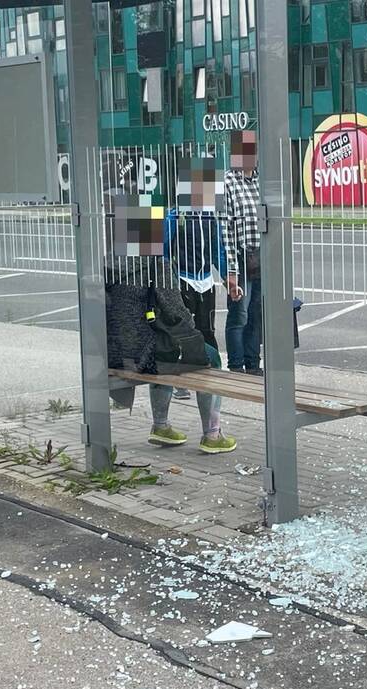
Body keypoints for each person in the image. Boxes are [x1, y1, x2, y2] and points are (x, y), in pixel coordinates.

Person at [106, 246, 236, 456]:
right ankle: (212, 435)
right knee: (209, 357)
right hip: (146, 353)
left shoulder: (109, 263)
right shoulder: (158, 263)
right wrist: (192, 334)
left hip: (117, 352)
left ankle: (161, 426)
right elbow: (174, 309)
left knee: (166, 355)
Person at [164, 157, 228, 399]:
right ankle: (181, 380)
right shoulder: (175, 215)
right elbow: (163, 250)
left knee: (207, 329)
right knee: (183, 331)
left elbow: (217, 250)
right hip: (182, 279)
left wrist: (227, 277)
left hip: (205, 282)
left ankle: (211, 370)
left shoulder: (211, 217)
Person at [223, 130, 264, 376]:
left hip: (261, 256)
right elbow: (225, 229)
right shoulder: (227, 182)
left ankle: (253, 364)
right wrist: (231, 270)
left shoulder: (261, 180)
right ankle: (236, 366)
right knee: (240, 314)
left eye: (252, 150)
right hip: (240, 255)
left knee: (257, 314)